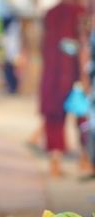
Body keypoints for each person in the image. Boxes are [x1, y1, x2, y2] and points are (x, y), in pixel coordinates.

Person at [39, 0, 88, 176]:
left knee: (55, 117)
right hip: (76, 72)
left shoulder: (51, 13)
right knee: (85, 116)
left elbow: (43, 45)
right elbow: (84, 44)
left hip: (53, 73)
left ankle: (56, 161)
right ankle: (86, 159)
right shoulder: (82, 12)